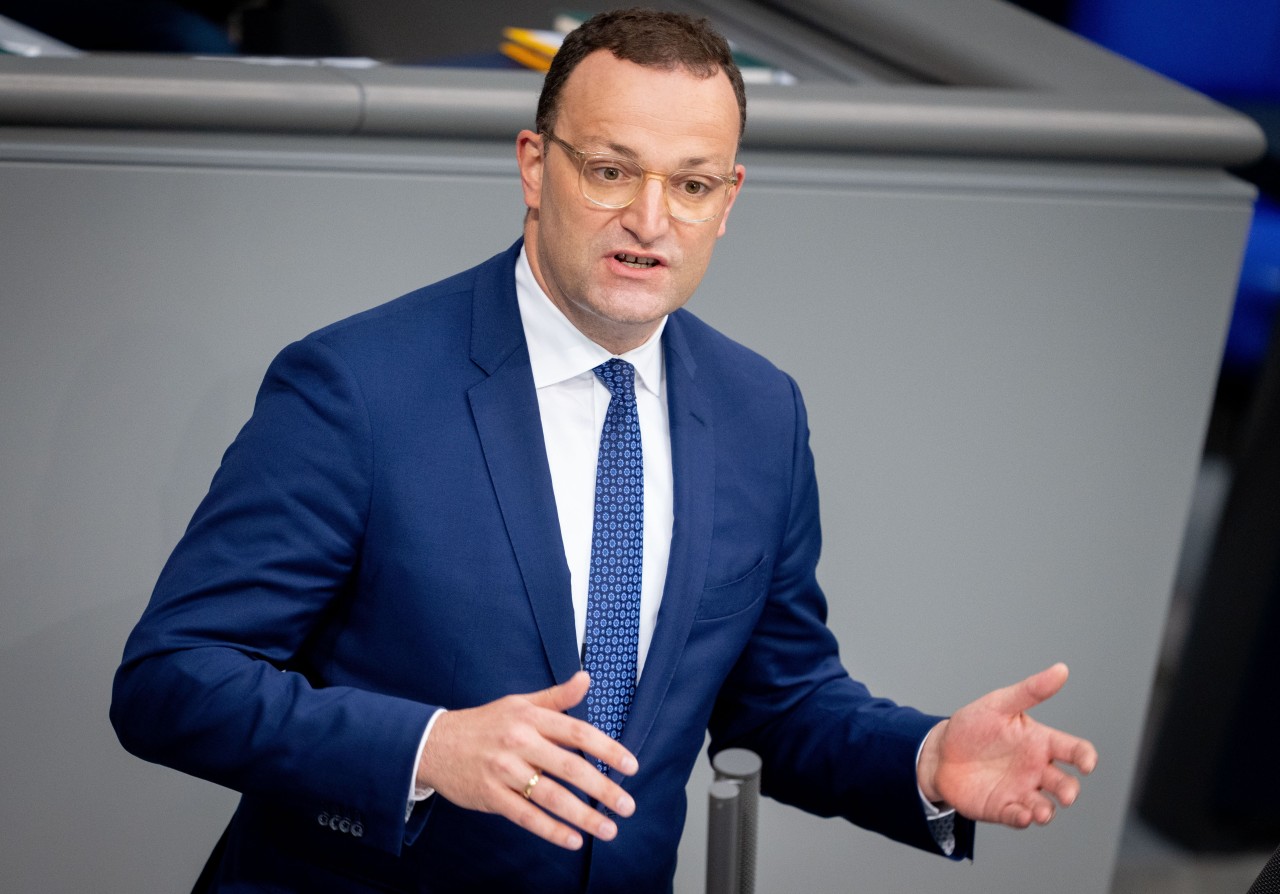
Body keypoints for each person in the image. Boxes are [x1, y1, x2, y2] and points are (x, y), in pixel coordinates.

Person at [110, 8, 1098, 892]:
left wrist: (920, 760)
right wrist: (426, 746)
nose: (649, 220)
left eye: (692, 183)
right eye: (611, 169)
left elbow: (779, 700)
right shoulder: (356, 388)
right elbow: (172, 678)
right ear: (535, 166)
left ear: (729, 198)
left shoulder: (760, 411)